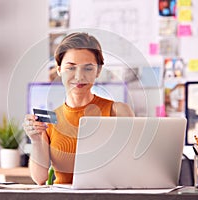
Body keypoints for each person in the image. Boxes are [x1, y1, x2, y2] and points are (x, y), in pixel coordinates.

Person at [23, 32, 135, 185]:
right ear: (59, 70)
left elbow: (133, 166)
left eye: (88, 69)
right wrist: (36, 140)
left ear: (98, 71)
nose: (79, 76)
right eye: (71, 68)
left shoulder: (118, 112)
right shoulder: (49, 119)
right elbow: (40, 178)